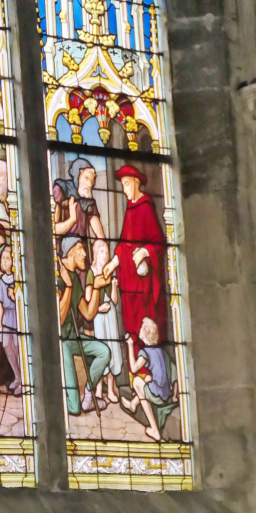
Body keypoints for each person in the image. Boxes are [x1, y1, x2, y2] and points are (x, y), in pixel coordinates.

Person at [103, 165, 167, 342]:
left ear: (136, 183)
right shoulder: (130, 208)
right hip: (129, 280)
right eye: (123, 185)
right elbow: (125, 244)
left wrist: (145, 252)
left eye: (127, 184)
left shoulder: (145, 207)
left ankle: (146, 364)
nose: (124, 190)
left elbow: (159, 242)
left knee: (144, 323)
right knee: (131, 325)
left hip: (143, 282)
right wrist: (113, 263)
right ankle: (135, 366)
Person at [57, 235, 111, 414]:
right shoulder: (57, 275)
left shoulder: (73, 276)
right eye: (81, 249)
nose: (84, 255)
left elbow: (88, 313)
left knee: (104, 352)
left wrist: (95, 286)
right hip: (60, 341)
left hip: (73, 337)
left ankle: (89, 394)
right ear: (71, 251)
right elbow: (59, 319)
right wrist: (68, 288)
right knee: (74, 407)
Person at [122, 319, 178, 443]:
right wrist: (174, 395)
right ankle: (133, 404)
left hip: (157, 395)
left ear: (146, 333)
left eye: (142, 327)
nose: (140, 329)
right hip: (166, 393)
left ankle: (154, 430)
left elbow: (134, 368)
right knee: (148, 378)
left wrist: (130, 345)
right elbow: (174, 374)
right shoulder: (162, 352)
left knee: (137, 381)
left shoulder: (145, 352)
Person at [87, 238, 121, 404]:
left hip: (111, 316)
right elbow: (88, 298)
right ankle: (99, 389)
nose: (105, 254)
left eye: (107, 251)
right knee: (102, 349)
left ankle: (111, 390)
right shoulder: (91, 272)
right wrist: (98, 309)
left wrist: (114, 286)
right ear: (95, 254)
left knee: (113, 347)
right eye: (102, 251)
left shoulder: (110, 272)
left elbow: (114, 301)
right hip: (99, 317)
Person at [53, 158, 105, 257]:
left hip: (82, 251)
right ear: (77, 174)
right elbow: (53, 228)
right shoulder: (61, 189)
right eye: (86, 178)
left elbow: (97, 227)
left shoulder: (87, 197)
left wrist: (103, 246)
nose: (89, 184)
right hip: (64, 252)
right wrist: (71, 220)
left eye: (92, 180)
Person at [0, 245, 23, 395]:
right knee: (7, 346)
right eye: (2, 259)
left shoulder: (19, 280)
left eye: (7, 259)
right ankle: (17, 377)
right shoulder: (1, 282)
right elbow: (1, 305)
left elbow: (22, 300)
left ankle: (24, 381)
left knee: (20, 349)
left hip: (17, 318)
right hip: (6, 318)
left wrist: (14, 296)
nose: (4, 262)